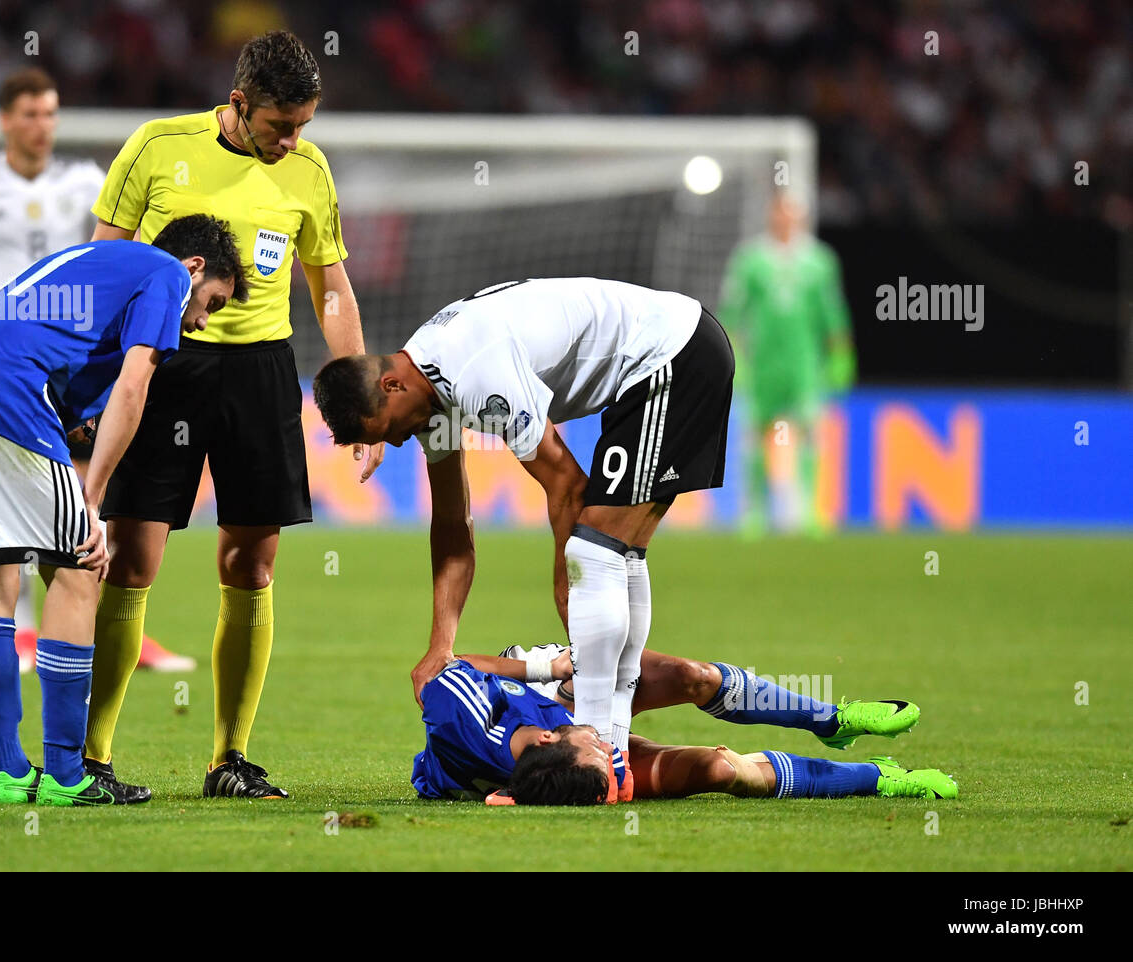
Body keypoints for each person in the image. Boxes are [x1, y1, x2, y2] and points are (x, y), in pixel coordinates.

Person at [84, 31, 383, 800]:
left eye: (304, 126)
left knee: (251, 564)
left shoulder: (309, 170)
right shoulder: (157, 146)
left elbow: (332, 290)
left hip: (261, 372)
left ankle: (229, 759)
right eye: (281, 125)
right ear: (239, 103)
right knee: (130, 558)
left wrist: (360, 401)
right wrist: (88, 382)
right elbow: (100, 267)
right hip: (163, 365)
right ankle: (91, 758)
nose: (293, 141)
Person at [313, 277, 734, 784]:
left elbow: (566, 485)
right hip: (655, 366)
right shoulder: (429, 391)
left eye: (389, 430)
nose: (400, 442)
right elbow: (451, 524)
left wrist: (565, 584)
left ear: (391, 386)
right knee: (613, 554)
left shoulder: (473, 373)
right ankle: (612, 747)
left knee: (598, 554)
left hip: (672, 353)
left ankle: (604, 754)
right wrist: (441, 646)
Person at [0, 215, 246, 805]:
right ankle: (67, 775)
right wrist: (92, 495)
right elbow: (136, 383)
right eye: (213, 301)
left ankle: (11, 773)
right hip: (2, 392)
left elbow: (54, 352)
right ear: (194, 269)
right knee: (80, 567)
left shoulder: (94, 262)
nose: (203, 319)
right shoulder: (166, 274)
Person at [0, 68, 191, 673]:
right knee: (32, 518)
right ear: (6, 120)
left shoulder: (84, 180)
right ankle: (36, 634)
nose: (41, 126)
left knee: (76, 494)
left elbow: (108, 252)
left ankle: (105, 628)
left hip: (67, 360)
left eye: (51, 113)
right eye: (30, 114)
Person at [414, 643, 954, 806]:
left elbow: (435, 669)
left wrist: (543, 668)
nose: (611, 745)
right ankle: (878, 776)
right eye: (608, 751)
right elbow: (504, 798)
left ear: (553, 736)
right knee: (721, 770)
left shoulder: (459, 719)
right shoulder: (581, 780)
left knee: (695, 678)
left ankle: (832, 719)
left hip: (549, 690)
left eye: (602, 746)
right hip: (555, 763)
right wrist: (597, 768)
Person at [718, 193, 855, 536]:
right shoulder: (750, 260)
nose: (785, 218)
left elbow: (833, 312)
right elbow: (732, 313)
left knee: (809, 431)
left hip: (804, 364)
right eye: (779, 211)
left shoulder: (820, 261)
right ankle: (755, 515)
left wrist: (841, 353)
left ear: (801, 217)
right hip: (763, 363)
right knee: (757, 434)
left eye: (791, 212)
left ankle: (810, 511)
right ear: (771, 214)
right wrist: (734, 358)